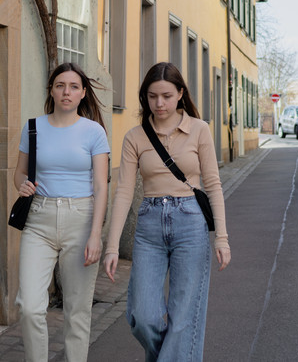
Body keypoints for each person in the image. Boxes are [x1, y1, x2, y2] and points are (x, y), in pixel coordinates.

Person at [103, 62, 231, 361]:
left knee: (184, 316)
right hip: (148, 224)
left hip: (190, 221)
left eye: (166, 96)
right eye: (152, 96)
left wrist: (221, 238)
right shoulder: (135, 136)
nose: (159, 103)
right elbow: (123, 192)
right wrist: (111, 246)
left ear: (180, 94)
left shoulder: (199, 130)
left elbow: (213, 184)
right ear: (144, 97)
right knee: (142, 315)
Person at [14, 62, 110, 362]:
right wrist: (22, 186)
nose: (66, 92)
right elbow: (18, 174)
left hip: (81, 220)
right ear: (51, 90)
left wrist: (96, 235)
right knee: (29, 306)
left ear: (82, 93)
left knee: (77, 310)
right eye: (60, 85)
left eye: (73, 87)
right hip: (38, 220)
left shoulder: (94, 132)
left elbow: (102, 187)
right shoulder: (33, 127)